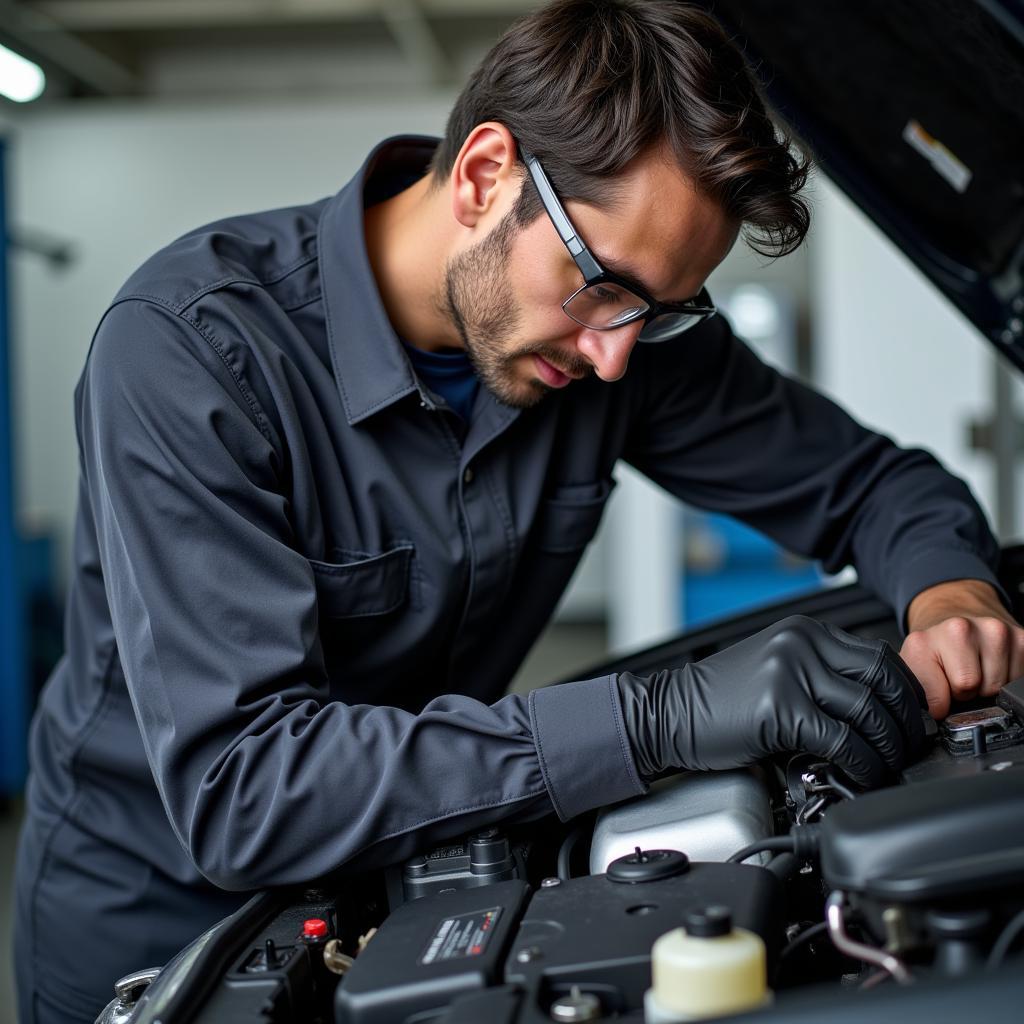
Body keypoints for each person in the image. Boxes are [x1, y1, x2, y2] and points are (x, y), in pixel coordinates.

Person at [13, 1, 1024, 1020]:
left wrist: (948, 595)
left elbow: (875, 485)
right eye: (601, 286)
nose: (614, 354)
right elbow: (246, 789)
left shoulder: (618, 336)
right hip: (167, 930)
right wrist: (657, 716)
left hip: (422, 873)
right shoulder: (191, 353)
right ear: (484, 175)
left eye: (662, 311)